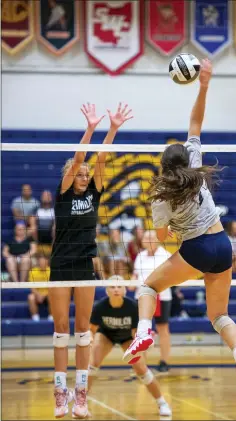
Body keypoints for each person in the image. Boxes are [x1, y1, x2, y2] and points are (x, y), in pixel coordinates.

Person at [123, 59, 236, 395]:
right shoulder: (196, 165)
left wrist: (167, 230)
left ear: (163, 166)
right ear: (185, 159)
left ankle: (143, 333)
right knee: (219, 316)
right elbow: (195, 121)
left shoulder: (160, 195)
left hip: (196, 249)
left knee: (147, 288)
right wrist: (204, 83)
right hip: (222, 244)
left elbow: (160, 237)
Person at [48, 102, 133, 419]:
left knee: (83, 331)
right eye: (79, 174)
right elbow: (82, 157)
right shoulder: (64, 193)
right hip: (60, 267)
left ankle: (80, 396)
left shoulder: (93, 194)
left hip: (85, 265)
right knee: (60, 331)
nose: (84, 176)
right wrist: (91, 127)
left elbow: (99, 159)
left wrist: (113, 128)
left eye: (86, 175)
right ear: (70, 177)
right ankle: (60, 395)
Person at [88, 278, 172, 417]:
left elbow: (135, 334)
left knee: (141, 369)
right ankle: (82, 403)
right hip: (106, 335)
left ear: (124, 290)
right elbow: (91, 329)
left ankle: (162, 403)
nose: (116, 289)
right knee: (91, 366)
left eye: (119, 286)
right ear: (107, 291)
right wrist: (90, 338)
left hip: (127, 337)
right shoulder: (99, 307)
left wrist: (142, 347)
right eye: (112, 287)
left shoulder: (132, 306)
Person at [132, 230, 172, 372]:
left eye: (151, 237)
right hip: (141, 297)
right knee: (140, 330)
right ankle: (142, 364)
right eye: (145, 237)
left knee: (163, 329)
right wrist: (130, 283)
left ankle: (164, 362)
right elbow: (135, 276)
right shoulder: (140, 256)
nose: (147, 240)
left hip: (162, 296)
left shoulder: (166, 255)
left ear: (157, 240)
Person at [28, 255, 52, 321]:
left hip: (48, 294)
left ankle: (51, 317)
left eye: (43, 261)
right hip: (37, 294)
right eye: (40, 261)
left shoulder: (51, 271)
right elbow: (32, 287)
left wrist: (45, 295)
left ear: (47, 262)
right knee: (31, 297)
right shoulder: (32, 272)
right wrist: (38, 294)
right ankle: (35, 318)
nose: (42, 263)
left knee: (52, 296)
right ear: (38, 262)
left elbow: (53, 287)